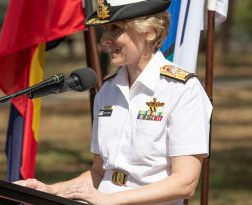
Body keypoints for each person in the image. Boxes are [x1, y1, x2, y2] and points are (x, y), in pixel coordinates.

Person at [15, 0, 213, 204]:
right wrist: (50, 190)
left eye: (115, 29)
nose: (105, 40)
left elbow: (185, 182)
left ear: (150, 31)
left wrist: (111, 200)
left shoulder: (182, 90)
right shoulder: (107, 90)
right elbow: (99, 173)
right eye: (105, 29)